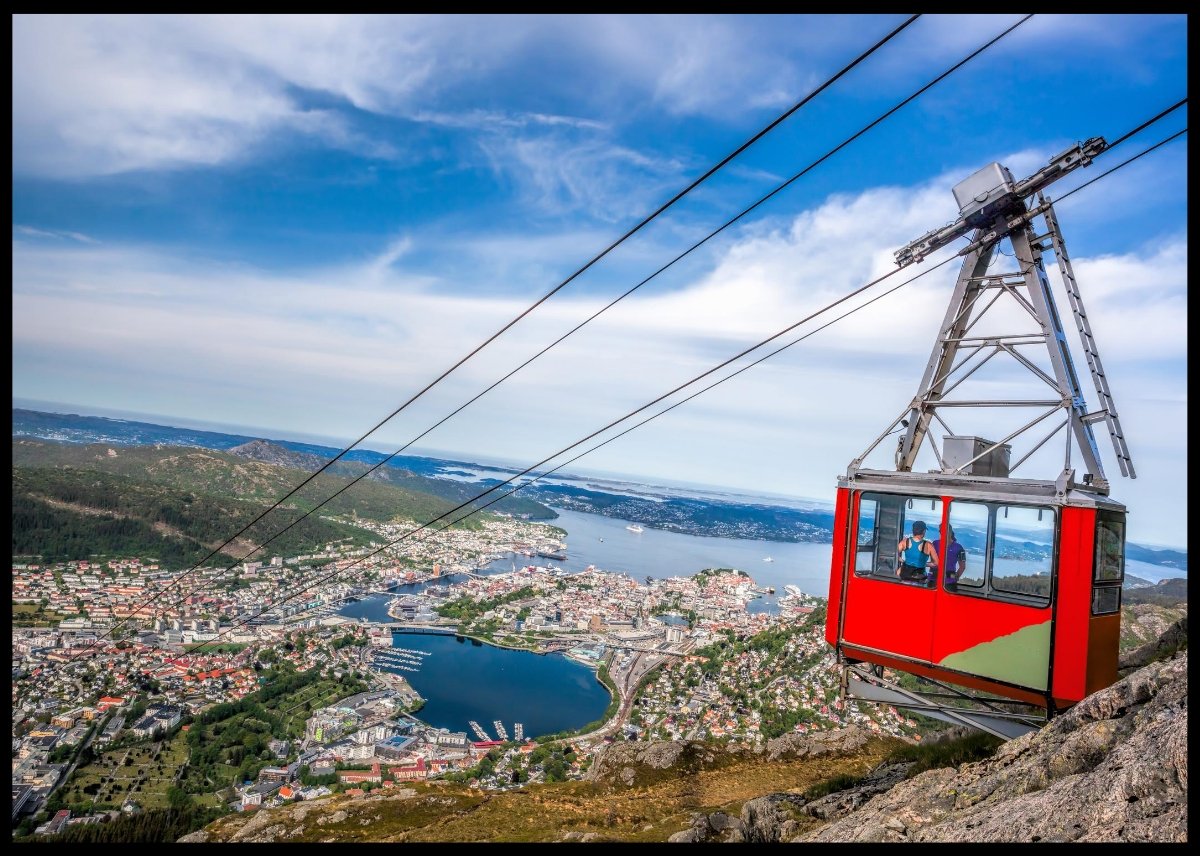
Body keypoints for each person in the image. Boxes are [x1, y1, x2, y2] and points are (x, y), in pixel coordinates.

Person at [897, 520, 937, 585]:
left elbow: (894, 554)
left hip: (905, 578)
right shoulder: (928, 545)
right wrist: (924, 564)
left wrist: (903, 561)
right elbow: (936, 563)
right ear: (924, 531)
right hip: (919, 579)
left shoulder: (905, 542)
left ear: (913, 530)